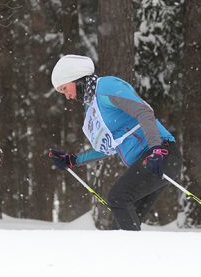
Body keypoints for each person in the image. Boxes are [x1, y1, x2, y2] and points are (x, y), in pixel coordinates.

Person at [48, 55, 182, 231]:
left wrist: (156, 149)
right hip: (149, 159)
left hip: (162, 154)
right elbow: (109, 147)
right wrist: (74, 160)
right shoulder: (91, 108)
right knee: (118, 224)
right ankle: (137, 256)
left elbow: (144, 112)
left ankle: (131, 254)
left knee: (119, 198)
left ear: (76, 77)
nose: (68, 96)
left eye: (65, 88)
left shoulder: (107, 87)